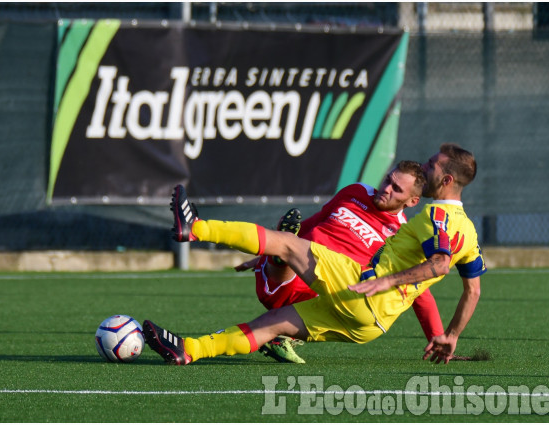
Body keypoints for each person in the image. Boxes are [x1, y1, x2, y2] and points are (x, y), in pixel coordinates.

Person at [144, 143, 486, 365]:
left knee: (286, 243)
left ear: (447, 179)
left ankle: (196, 228)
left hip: (362, 290)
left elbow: (438, 264)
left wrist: (387, 282)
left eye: (432, 165)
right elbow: (473, 289)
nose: (426, 168)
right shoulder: (468, 231)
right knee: (269, 325)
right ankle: (188, 350)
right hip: (373, 325)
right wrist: (449, 337)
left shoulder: (435, 216)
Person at [235, 161, 447, 363]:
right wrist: (279, 243)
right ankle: (279, 257)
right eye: (387, 181)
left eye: (396, 188)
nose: (386, 189)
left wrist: (437, 336)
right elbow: (316, 220)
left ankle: (280, 276)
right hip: (289, 267)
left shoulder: (402, 235)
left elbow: (418, 291)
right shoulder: (357, 192)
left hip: (315, 291)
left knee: (337, 302)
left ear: (412, 201)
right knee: (288, 256)